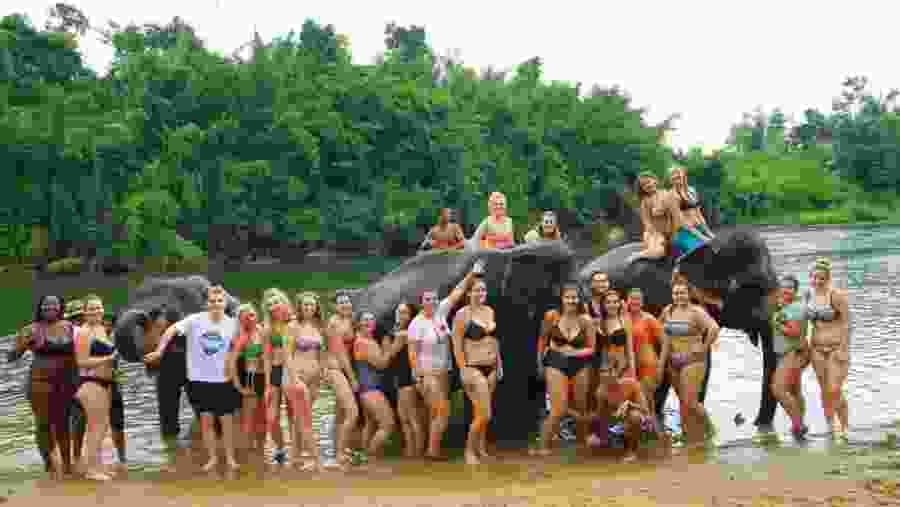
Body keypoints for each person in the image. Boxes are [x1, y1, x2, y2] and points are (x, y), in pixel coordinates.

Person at [145, 285, 241, 471]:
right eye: (212, 301)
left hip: (223, 379)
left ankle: (230, 458)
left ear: (225, 303)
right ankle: (212, 458)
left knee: (226, 423)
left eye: (219, 301)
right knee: (205, 422)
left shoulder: (232, 323)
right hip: (198, 379)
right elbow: (171, 330)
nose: (215, 304)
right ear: (206, 303)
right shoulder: (194, 320)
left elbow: (244, 341)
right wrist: (159, 351)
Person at [408, 264, 481, 460]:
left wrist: (472, 274)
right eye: (427, 300)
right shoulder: (416, 324)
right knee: (443, 411)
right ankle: (432, 452)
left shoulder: (441, 311)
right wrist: (418, 375)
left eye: (433, 298)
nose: (431, 302)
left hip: (444, 373)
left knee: (435, 413)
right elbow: (412, 352)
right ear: (421, 302)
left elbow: (457, 292)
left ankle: (430, 450)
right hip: (427, 373)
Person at [10, 295, 79, 478]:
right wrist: (21, 345)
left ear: (60, 307)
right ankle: (48, 463)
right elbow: (11, 357)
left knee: (63, 423)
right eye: (46, 305)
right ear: (40, 308)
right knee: (43, 423)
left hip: (66, 382)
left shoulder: (70, 327)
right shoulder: (31, 329)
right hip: (40, 382)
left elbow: (81, 351)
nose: (50, 307)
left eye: (54, 304)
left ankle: (67, 466)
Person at [532, 284, 596, 455]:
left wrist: (574, 352)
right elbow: (542, 341)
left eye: (574, 297)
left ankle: (582, 443)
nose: (571, 301)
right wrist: (539, 363)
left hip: (580, 363)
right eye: (568, 297)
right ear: (561, 298)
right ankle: (543, 446)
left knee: (581, 407)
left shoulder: (586, 320)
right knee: (558, 408)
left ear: (579, 299)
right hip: (555, 362)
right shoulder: (551, 316)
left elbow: (592, 348)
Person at [659, 282, 720, 444]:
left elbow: (714, 328)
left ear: (689, 294)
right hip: (674, 361)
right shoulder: (668, 311)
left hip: (693, 360)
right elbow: (664, 336)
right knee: (682, 402)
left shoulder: (697, 311)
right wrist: (662, 362)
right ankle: (687, 433)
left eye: (682, 293)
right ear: (672, 295)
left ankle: (710, 429)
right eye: (676, 293)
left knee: (691, 401)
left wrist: (704, 347)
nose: (679, 296)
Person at [451, 273, 502, 465]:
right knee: (484, 414)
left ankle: (481, 449)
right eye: (476, 290)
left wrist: (498, 364)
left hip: (491, 366)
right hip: (472, 367)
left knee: (480, 413)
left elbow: (493, 339)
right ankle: (468, 450)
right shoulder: (462, 314)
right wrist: (462, 368)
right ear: (468, 293)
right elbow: (456, 344)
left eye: (483, 290)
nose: (481, 293)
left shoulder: (489, 311)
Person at [73, 295, 118, 481]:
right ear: (84, 312)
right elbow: (81, 362)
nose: (96, 311)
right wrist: (108, 359)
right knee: (95, 428)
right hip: (89, 383)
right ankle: (91, 470)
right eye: (91, 309)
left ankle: (96, 465)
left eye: (99, 308)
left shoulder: (102, 329)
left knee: (102, 427)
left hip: (105, 383)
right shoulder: (83, 333)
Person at [806, 257, 851, 437]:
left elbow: (847, 323)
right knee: (824, 389)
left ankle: (845, 427)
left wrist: (843, 349)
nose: (817, 281)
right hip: (816, 349)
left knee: (834, 389)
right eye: (814, 277)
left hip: (835, 348)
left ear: (828, 278)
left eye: (821, 278)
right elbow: (802, 320)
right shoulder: (808, 295)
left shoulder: (836, 295)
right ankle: (830, 426)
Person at [352, 311, 403, 462]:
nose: (369, 323)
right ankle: (369, 456)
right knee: (388, 425)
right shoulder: (363, 342)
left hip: (367, 389)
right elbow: (382, 364)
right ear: (359, 323)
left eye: (372, 320)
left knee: (371, 424)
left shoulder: (367, 340)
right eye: (365, 320)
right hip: (371, 389)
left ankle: (364, 459)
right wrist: (394, 346)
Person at [284, 292, 326, 470]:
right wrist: (294, 379)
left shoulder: (318, 326)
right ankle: (319, 463)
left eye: (312, 305)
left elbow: (321, 352)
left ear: (317, 307)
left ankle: (294, 458)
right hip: (297, 377)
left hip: (314, 378)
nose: (309, 308)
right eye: (305, 305)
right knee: (305, 420)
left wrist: (322, 371)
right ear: (299, 307)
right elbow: (287, 354)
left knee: (298, 419)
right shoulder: (293, 326)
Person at [324, 290, 361, 467]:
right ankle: (339, 453)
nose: (346, 305)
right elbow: (340, 353)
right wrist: (353, 378)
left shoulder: (348, 319)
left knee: (340, 413)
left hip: (341, 369)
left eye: (347, 302)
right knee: (352, 412)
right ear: (334, 306)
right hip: (335, 369)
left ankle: (336, 449)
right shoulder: (334, 323)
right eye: (341, 303)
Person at [770, 275, 810, 439]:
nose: (786, 290)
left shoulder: (794, 308)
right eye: (783, 286)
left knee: (778, 389)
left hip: (791, 353)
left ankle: (798, 425)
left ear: (795, 290)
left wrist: (776, 322)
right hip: (794, 352)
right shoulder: (791, 305)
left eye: (790, 287)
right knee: (794, 391)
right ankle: (799, 424)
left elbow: (794, 332)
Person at [261, 288, 294, 464]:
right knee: (271, 418)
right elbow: (266, 357)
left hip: (291, 372)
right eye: (270, 304)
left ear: (284, 302)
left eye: (276, 302)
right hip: (275, 371)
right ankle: (281, 448)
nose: (273, 306)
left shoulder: (293, 323)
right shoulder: (267, 328)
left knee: (292, 414)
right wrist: (267, 384)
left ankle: (296, 452)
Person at [389, 302, 427, 457]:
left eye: (404, 312)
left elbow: (391, 353)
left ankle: (417, 451)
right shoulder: (399, 331)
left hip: (408, 376)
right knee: (404, 417)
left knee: (411, 417)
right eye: (399, 311)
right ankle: (410, 450)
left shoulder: (408, 332)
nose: (400, 315)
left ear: (411, 315)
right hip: (400, 377)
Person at [228, 303, 268, 454]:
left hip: (265, 377)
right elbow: (232, 362)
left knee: (263, 417)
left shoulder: (263, 331)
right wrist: (238, 386)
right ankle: (246, 453)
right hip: (250, 378)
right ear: (241, 320)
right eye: (245, 317)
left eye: (252, 315)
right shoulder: (242, 336)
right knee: (248, 417)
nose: (250, 318)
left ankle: (261, 450)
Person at [623, 289, 666, 425]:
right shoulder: (622, 318)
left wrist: (661, 365)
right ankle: (651, 436)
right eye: (632, 298)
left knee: (646, 404)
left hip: (648, 366)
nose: (635, 302)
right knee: (642, 404)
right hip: (630, 367)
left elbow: (665, 342)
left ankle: (653, 437)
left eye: (638, 299)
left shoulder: (649, 319)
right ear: (626, 301)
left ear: (642, 302)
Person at [631, 172, 675, 262]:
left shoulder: (665, 193)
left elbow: (674, 211)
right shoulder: (645, 201)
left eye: (648, 182)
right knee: (659, 252)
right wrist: (655, 235)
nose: (648, 185)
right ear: (642, 189)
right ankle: (639, 255)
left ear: (655, 180)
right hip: (654, 233)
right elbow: (646, 222)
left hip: (670, 231)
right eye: (644, 185)